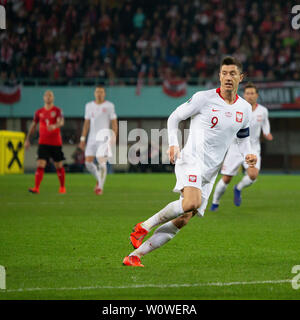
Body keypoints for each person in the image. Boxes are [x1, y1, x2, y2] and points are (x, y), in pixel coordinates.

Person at [123, 56, 257, 267]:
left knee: (184, 219)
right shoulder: (203, 98)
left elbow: (243, 138)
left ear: (241, 77)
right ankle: (143, 226)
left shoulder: (245, 109)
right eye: (224, 73)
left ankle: (135, 256)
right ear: (219, 76)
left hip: (211, 171)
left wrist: (248, 154)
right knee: (191, 202)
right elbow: (174, 117)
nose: (228, 77)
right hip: (192, 159)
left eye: (232, 74)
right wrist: (174, 144)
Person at [210, 82, 273, 210]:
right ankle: (215, 202)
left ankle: (238, 188)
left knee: (253, 175)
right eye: (247, 93)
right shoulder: (236, 108)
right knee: (226, 178)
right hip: (235, 148)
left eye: (252, 93)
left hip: (253, 148)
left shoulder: (263, 111)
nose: (250, 96)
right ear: (244, 95)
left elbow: (265, 124)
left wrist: (267, 132)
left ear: (257, 95)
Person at [79, 85, 118, 195]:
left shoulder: (109, 106)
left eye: (101, 92)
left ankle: (100, 187)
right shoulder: (88, 106)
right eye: (97, 92)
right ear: (94, 93)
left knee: (102, 163)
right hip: (91, 139)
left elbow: (114, 123)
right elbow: (86, 124)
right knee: (88, 163)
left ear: (104, 94)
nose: (99, 94)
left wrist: (113, 136)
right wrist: (82, 138)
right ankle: (99, 179)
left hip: (104, 138)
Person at [25, 90, 66, 194]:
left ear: (53, 98)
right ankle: (36, 188)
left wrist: (54, 126)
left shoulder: (57, 110)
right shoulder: (39, 112)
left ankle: (62, 187)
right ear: (43, 98)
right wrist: (27, 139)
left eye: (50, 95)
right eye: (46, 96)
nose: (48, 97)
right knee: (40, 164)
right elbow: (33, 126)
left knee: (59, 165)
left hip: (56, 142)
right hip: (43, 142)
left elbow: (61, 122)